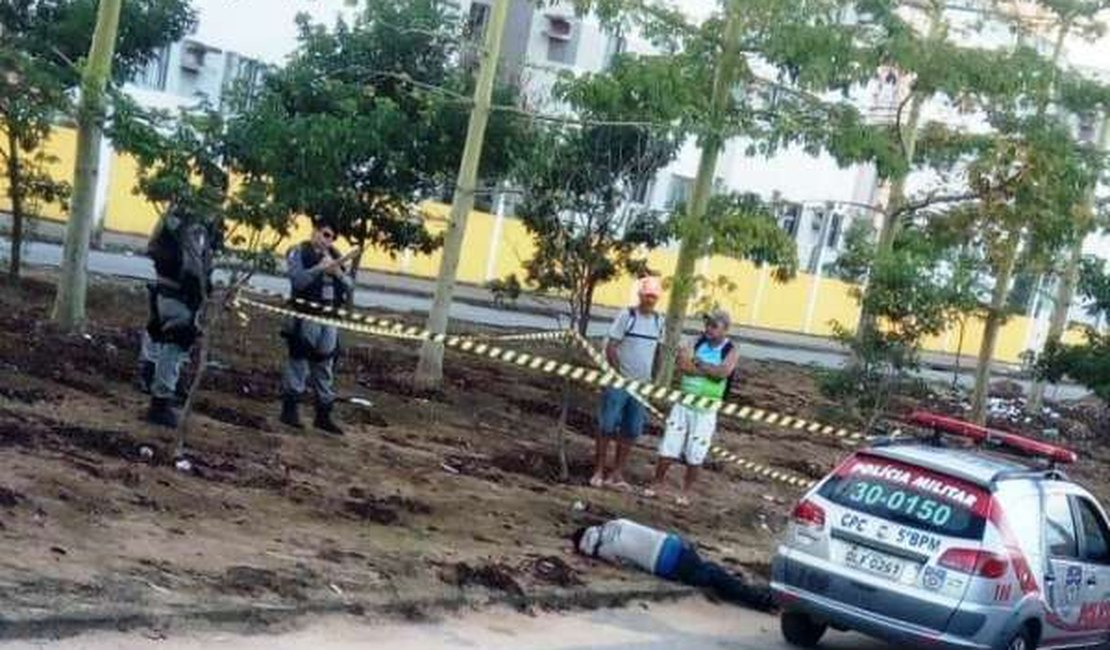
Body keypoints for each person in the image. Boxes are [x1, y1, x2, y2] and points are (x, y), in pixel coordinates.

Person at [571, 518, 773, 612]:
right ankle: (744, 590)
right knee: (708, 570)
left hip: (667, 564)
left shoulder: (604, 550)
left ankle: (757, 599)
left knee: (710, 575)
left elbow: (624, 564)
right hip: (675, 544)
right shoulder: (617, 522)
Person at [648, 309, 739, 505]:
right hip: (683, 404)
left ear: (725, 329)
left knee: (696, 451)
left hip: (706, 410)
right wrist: (707, 370)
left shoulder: (730, 349)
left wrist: (700, 364)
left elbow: (722, 373)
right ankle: (657, 483)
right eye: (708, 324)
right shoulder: (695, 341)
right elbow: (683, 365)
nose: (709, 329)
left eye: (714, 326)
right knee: (669, 444)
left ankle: (686, 491)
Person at [144, 204, 221, 428]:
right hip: (178, 294)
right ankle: (160, 402)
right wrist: (203, 290)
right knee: (176, 343)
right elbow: (193, 267)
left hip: (171, 291)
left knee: (170, 344)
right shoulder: (192, 227)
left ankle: (162, 390)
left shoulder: (183, 220)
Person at [279, 217, 357, 436]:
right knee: (299, 361)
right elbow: (297, 281)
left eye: (331, 237)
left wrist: (337, 273)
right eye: (324, 234)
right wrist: (318, 269)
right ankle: (290, 409)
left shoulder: (336, 256)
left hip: (329, 318)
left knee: (325, 365)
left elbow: (350, 285)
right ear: (314, 231)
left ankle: (323, 414)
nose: (327, 241)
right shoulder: (298, 251)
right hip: (306, 316)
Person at [592, 276, 664, 490]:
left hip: (641, 385)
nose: (650, 300)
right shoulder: (627, 316)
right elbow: (611, 346)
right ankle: (598, 470)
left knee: (632, 429)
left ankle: (617, 472)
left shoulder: (659, 321)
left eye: (653, 296)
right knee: (607, 425)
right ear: (640, 296)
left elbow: (658, 351)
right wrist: (617, 374)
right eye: (647, 295)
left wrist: (655, 377)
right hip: (619, 382)